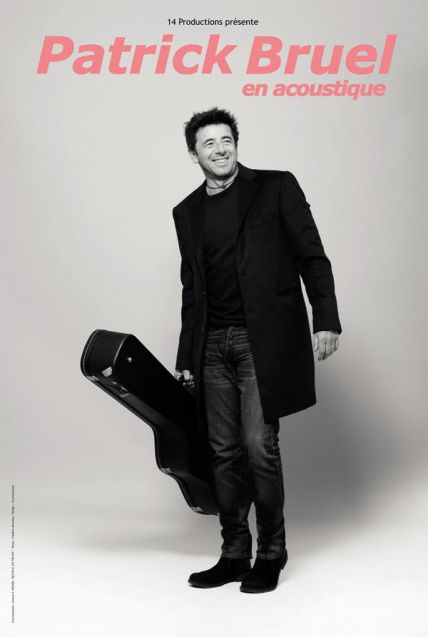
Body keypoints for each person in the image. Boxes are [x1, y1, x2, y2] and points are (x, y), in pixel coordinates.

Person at [172, 107, 341, 593]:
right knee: (222, 452)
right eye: (209, 143)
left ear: (236, 144)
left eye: (226, 140)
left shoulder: (276, 187)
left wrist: (325, 319)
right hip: (211, 345)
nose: (220, 149)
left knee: (258, 447)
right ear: (194, 155)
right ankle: (233, 552)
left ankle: (271, 551)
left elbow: (312, 255)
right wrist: (186, 356)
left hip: (261, 340)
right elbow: (191, 289)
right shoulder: (186, 212)